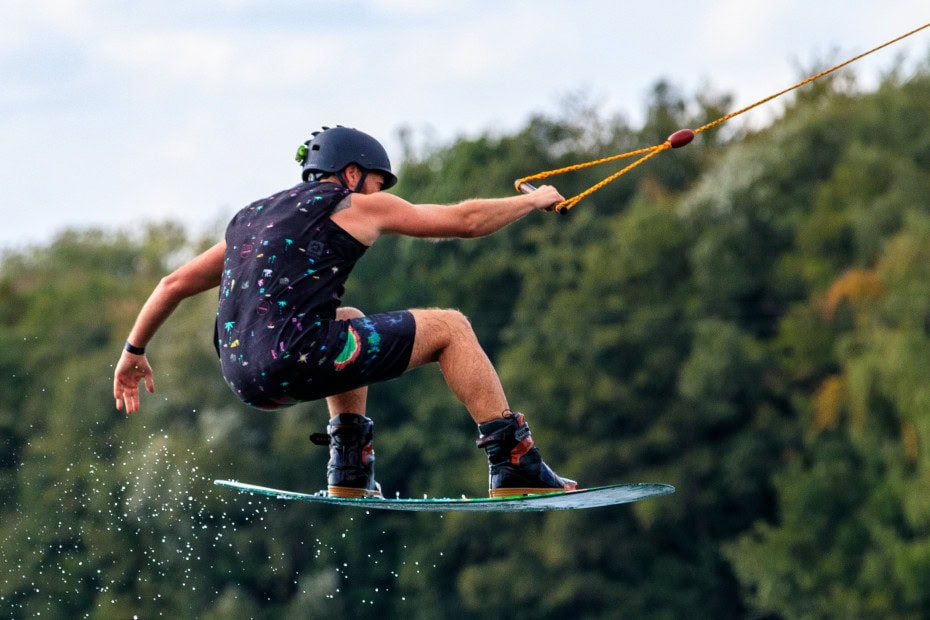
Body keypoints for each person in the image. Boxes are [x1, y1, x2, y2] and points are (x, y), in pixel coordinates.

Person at [113, 126, 577, 499]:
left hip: (242, 377)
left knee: (347, 319)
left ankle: (350, 467)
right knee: (451, 327)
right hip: (296, 357)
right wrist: (532, 200)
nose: (378, 194)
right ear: (352, 173)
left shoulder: (252, 219)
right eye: (377, 183)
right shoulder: (349, 204)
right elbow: (466, 222)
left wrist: (134, 350)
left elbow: (171, 283)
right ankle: (515, 462)